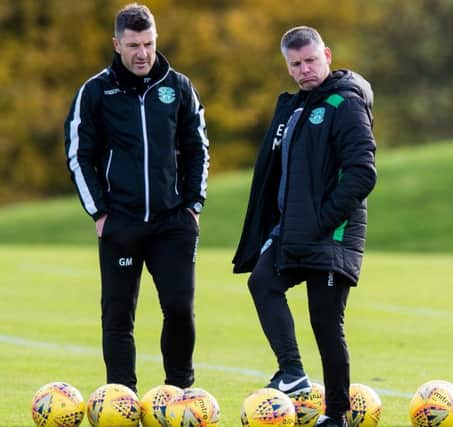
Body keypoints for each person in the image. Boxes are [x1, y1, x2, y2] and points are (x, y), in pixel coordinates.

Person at [233, 26, 377, 427]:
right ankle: (293, 373)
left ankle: (337, 415)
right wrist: (276, 229)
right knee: (262, 282)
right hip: (295, 234)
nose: (304, 69)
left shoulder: (344, 103)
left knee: (326, 325)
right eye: (295, 64)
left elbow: (362, 174)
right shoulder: (297, 107)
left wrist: (323, 220)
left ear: (327, 55)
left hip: (333, 234)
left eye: (311, 60)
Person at [64, 3, 209, 392]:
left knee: (180, 309)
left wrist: (193, 205)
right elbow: (79, 155)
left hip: (172, 222)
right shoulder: (95, 91)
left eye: (148, 43)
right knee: (117, 318)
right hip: (121, 222)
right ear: (116, 44)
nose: (142, 53)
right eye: (133, 45)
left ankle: (179, 393)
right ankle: (121, 397)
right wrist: (99, 214)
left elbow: (198, 148)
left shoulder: (178, 86)